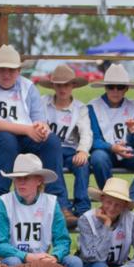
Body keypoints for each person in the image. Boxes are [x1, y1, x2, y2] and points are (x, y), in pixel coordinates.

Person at [0, 45, 75, 225]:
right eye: (2, 70)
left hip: (21, 140)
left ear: (19, 70)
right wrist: (27, 129)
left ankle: (59, 205)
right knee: (6, 140)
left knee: (51, 141)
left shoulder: (28, 87)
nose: (6, 74)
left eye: (11, 70)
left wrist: (40, 128)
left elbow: (39, 119)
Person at [0, 153, 83, 267]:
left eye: (26, 178)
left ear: (39, 180)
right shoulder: (2, 204)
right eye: (18, 178)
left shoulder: (51, 203)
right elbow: (0, 245)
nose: (21, 182)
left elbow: (62, 240)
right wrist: (27, 257)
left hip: (43, 260)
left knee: (74, 262)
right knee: (14, 262)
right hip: (15, 259)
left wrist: (54, 257)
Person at [86, 64, 134, 208]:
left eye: (120, 87)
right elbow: (93, 140)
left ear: (126, 88)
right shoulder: (93, 107)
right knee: (98, 158)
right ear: (105, 88)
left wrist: (133, 132)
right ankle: (111, 198)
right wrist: (112, 147)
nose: (115, 91)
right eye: (111, 87)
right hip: (107, 153)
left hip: (129, 152)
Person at [40, 64, 92, 219]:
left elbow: (86, 132)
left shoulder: (79, 108)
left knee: (82, 164)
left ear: (73, 86)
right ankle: (63, 206)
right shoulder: (43, 103)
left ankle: (82, 208)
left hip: (69, 149)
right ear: (53, 86)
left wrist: (82, 150)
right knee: (52, 162)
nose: (62, 89)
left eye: (66, 85)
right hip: (47, 150)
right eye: (58, 85)